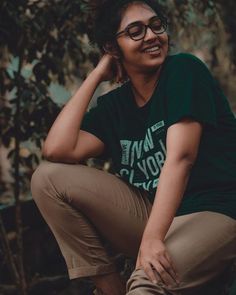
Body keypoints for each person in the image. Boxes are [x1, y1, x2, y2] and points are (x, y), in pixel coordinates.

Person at [31, 0, 236, 294]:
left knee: (147, 284)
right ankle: (109, 287)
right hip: (156, 212)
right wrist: (97, 75)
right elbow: (56, 149)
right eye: (135, 31)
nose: (152, 36)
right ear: (113, 48)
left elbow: (181, 158)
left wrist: (152, 240)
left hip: (216, 208)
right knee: (47, 178)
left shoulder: (184, 71)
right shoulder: (115, 106)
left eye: (155, 26)